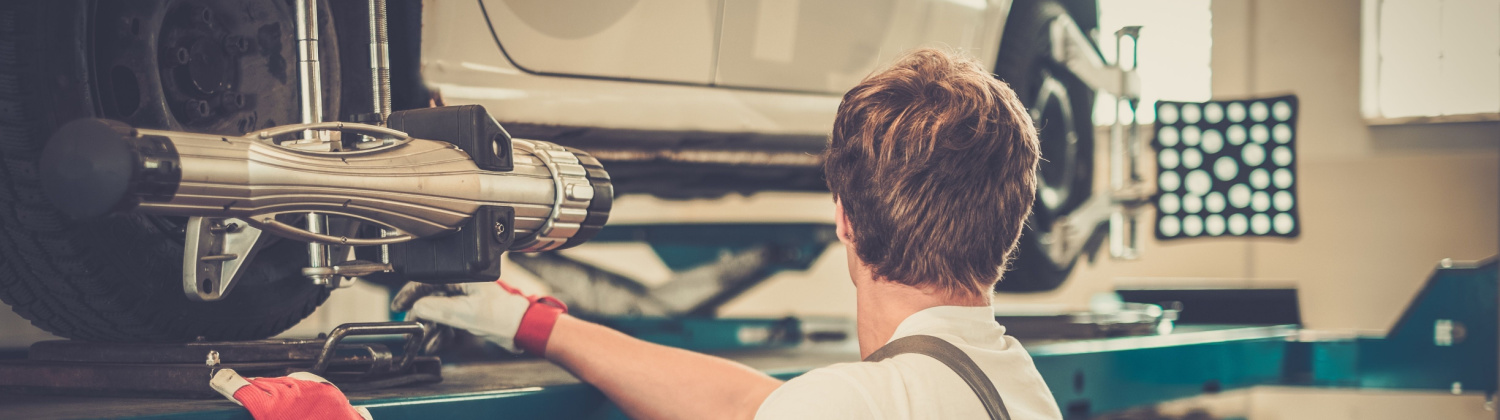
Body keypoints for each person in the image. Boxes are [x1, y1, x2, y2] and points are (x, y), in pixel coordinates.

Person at [393, 48, 1063, 420]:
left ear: (845, 218)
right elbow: (751, 406)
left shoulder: (858, 406)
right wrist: (534, 325)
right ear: (1009, 220)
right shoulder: (1016, 389)